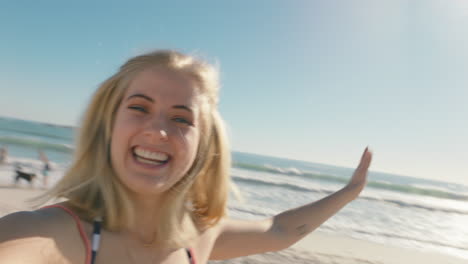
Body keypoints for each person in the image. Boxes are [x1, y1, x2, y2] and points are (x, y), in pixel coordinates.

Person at [0, 50, 372, 264]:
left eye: (181, 118)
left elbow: (281, 230)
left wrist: (349, 192)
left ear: (204, 144)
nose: (158, 131)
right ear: (108, 125)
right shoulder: (47, 234)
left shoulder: (200, 237)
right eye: (139, 107)